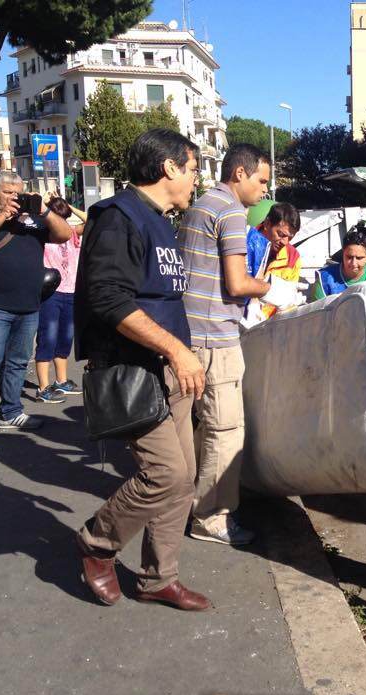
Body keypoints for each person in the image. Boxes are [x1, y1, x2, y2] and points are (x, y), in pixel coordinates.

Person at [74, 129, 210, 611]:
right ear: (169, 167)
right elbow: (108, 298)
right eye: (192, 169)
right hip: (137, 371)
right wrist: (177, 350)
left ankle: (158, 578)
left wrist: (182, 358)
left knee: (184, 479)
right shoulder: (117, 217)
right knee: (166, 475)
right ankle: (97, 543)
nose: (196, 179)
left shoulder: (158, 220)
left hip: (171, 372)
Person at [179, 143, 273, 545]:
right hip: (215, 337)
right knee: (226, 429)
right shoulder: (233, 212)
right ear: (240, 174)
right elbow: (237, 283)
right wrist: (271, 288)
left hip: (194, 333)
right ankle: (211, 515)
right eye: (262, 180)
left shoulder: (201, 205)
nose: (265, 190)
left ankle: (197, 501)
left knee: (204, 428)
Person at [0, 171, 74, 438]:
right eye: (7, 192)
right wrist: (3, 216)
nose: (13, 197)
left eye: (17, 192)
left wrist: (44, 210)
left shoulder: (33, 218)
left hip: (28, 302)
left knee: (18, 361)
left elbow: (64, 233)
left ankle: (11, 412)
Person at [34, 196, 84, 403]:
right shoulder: (43, 235)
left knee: (66, 338)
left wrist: (67, 204)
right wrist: (45, 207)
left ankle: (61, 381)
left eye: (66, 217)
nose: (63, 222)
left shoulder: (72, 234)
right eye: (60, 217)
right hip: (51, 293)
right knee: (48, 337)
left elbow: (92, 220)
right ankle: (43, 386)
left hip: (72, 292)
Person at [252, 202, 301, 321]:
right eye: (281, 234)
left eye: (290, 238)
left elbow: (288, 303)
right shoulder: (245, 243)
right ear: (267, 223)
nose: (285, 242)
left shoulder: (293, 257)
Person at [312, 223, 366, 299]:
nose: (353, 263)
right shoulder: (324, 279)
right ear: (343, 253)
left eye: (359, 258)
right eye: (349, 257)